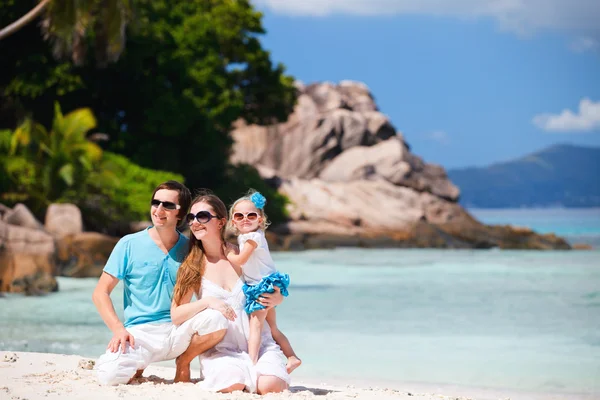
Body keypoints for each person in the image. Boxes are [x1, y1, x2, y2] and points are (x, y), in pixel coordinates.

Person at [92, 181, 228, 386]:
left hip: (179, 331)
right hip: (139, 334)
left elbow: (224, 264)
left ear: (180, 215)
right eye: (156, 203)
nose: (159, 209)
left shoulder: (191, 248)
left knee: (217, 319)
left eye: (168, 205)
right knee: (109, 376)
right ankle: (137, 363)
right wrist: (118, 329)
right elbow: (100, 293)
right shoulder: (128, 244)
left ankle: (184, 361)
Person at [171, 191, 289, 394]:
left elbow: (268, 280)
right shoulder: (192, 266)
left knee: (270, 386)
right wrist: (207, 301)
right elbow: (176, 315)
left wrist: (277, 297)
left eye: (203, 216)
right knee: (232, 384)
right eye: (192, 218)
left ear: (221, 222)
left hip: (260, 345)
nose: (195, 222)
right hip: (220, 350)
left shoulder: (243, 255)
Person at [225, 190, 301, 373]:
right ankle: (292, 357)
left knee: (256, 325)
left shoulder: (254, 237)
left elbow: (241, 260)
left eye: (251, 215)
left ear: (260, 219)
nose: (245, 219)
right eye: (239, 216)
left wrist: (228, 254)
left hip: (262, 285)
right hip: (263, 284)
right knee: (272, 326)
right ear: (233, 221)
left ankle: (252, 362)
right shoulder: (246, 236)